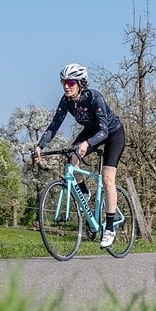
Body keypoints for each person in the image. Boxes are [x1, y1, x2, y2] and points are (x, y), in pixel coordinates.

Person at [32, 63, 126, 248]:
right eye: (63, 82)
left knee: (107, 178)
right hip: (91, 132)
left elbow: (104, 130)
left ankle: (109, 228)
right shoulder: (66, 101)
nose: (66, 86)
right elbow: (54, 126)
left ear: (80, 83)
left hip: (112, 133)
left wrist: (87, 143)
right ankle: (83, 190)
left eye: (70, 82)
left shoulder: (94, 97)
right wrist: (40, 146)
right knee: (70, 160)